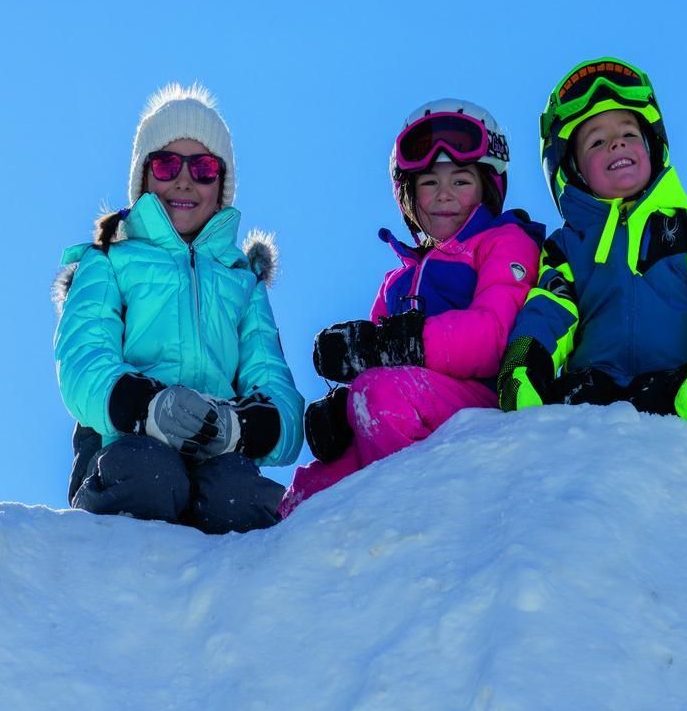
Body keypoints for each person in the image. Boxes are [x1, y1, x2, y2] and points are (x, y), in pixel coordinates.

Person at [52, 83, 304, 533]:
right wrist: (146, 407)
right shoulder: (109, 261)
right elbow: (83, 361)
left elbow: (275, 386)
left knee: (242, 498)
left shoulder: (241, 283)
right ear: (144, 178)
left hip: (218, 453)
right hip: (125, 444)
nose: (184, 180)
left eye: (203, 168)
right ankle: (117, 584)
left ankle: (245, 596)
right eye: (167, 165)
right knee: (150, 476)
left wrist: (240, 427)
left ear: (221, 184)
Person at [279, 99, 543, 518]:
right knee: (310, 492)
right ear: (408, 194)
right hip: (410, 407)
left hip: (483, 406)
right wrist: (342, 410)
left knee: (381, 395)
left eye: (460, 181)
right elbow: (374, 370)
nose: (444, 196)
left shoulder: (504, 242)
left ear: (488, 187)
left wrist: (396, 345)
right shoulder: (399, 281)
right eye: (428, 184)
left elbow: (493, 335)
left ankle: (416, 520)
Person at [498, 57, 687, 433]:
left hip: (680, 397)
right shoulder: (568, 247)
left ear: (652, 145)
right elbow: (549, 310)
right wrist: (525, 365)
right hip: (590, 399)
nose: (617, 142)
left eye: (629, 133)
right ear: (571, 169)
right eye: (597, 141)